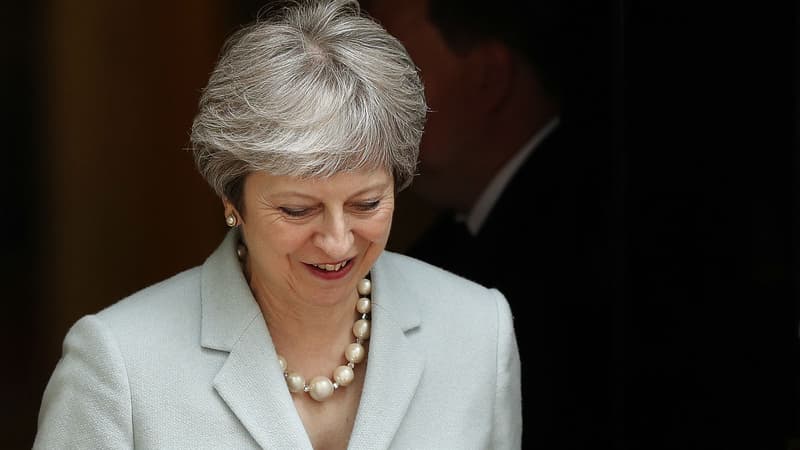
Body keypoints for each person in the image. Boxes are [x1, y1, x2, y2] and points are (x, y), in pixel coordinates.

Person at [32, 1, 522, 448]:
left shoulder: (479, 330)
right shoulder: (118, 364)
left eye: (366, 204)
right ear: (232, 199)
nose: (337, 241)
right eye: (298, 210)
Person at [362, 0, 620, 448]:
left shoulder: (587, 251)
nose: (361, 103)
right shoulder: (448, 248)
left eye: (394, 72)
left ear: (488, 78)